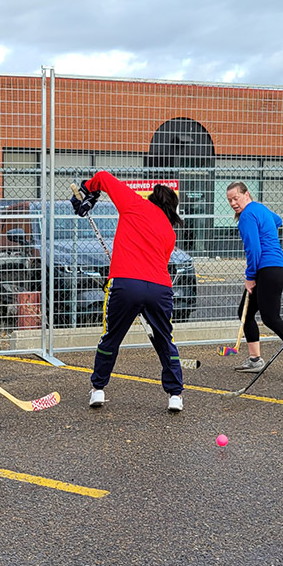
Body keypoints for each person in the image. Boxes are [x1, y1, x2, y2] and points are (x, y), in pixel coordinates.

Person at [72, 171, 185, 412]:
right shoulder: (169, 230)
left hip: (125, 283)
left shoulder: (135, 203)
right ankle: (175, 395)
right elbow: (159, 262)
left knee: (111, 337)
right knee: (165, 340)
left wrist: (88, 192)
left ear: (152, 198)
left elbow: (102, 175)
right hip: (159, 288)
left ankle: (98, 389)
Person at [225, 182, 283, 381]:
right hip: (274, 269)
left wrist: (250, 277)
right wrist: (265, 226)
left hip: (267, 270)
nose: (233, 203)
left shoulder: (246, 216)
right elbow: (276, 220)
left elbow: (254, 249)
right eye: (229, 200)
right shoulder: (259, 209)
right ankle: (255, 360)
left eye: (236, 198)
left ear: (247, 194)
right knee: (246, 313)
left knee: (271, 318)